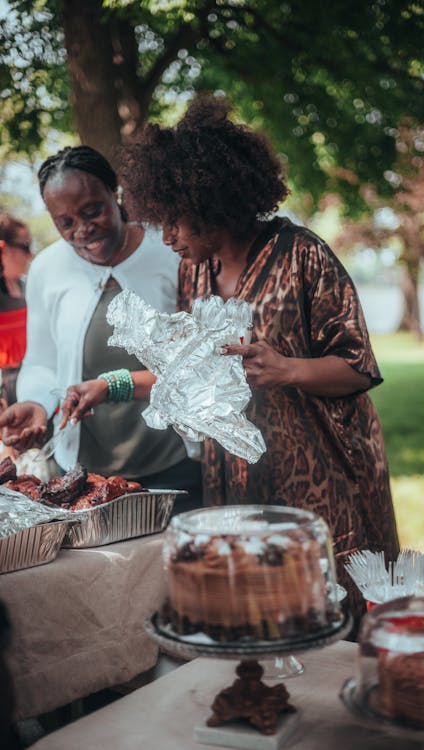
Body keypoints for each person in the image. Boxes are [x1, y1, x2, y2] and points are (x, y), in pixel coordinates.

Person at [60, 97, 400, 631]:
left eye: (174, 224)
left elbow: (358, 366)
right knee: (257, 612)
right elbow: (183, 370)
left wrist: (288, 369)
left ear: (211, 202)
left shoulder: (301, 256)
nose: (166, 238)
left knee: (329, 612)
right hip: (236, 479)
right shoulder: (195, 272)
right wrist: (111, 384)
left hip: (316, 477)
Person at [0, 146, 202, 510]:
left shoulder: (170, 250)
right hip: (85, 478)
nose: (82, 229)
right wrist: (38, 403)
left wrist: (115, 384)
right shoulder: (48, 269)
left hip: (176, 463)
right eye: (66, 222)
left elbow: (196, 356)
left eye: (92, 211)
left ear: (116, 193)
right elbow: (42, 361)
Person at [0, 213, 32, 406]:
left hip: (34, 386)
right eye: (24, 247)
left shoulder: (29, 286)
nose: (30, 255)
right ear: (3, 249)